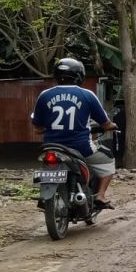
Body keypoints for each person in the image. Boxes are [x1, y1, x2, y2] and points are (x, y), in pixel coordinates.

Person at [30, 58, 118, 209]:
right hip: (81, 147)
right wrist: (112, 125)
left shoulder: (44, 95)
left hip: (52, 146)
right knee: (108, 159)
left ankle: (46, 194)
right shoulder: (87, 95)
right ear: (79, 75)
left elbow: (37, 128)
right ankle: (100, 196)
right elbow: (105, 123)